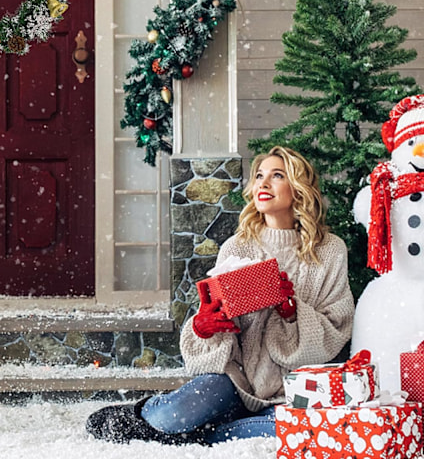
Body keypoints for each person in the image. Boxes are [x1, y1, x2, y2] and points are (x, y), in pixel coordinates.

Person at [86, 146, 355, 445]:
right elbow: (218, 329)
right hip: (235, 381)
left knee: (296, 435)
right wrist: (206, 327)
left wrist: (292, 313)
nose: (262, 184)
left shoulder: (329, 250)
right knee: (171, 416)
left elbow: (337, 328)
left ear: (299, 187)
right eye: (258, 176)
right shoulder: (236, 247)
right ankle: (147, 414)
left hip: (296, 390)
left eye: (276, 176)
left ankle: (199, 436)